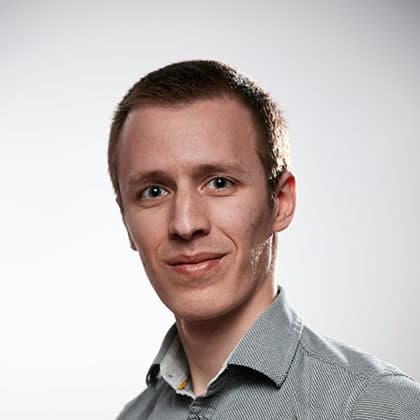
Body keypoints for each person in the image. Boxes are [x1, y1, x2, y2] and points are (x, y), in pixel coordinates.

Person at [108, 60, 420, 419]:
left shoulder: (373, 406)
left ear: (281, 202)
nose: (185, 223)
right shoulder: (134, 415)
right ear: (126, 220)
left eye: (219, 183)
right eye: (153, 191)